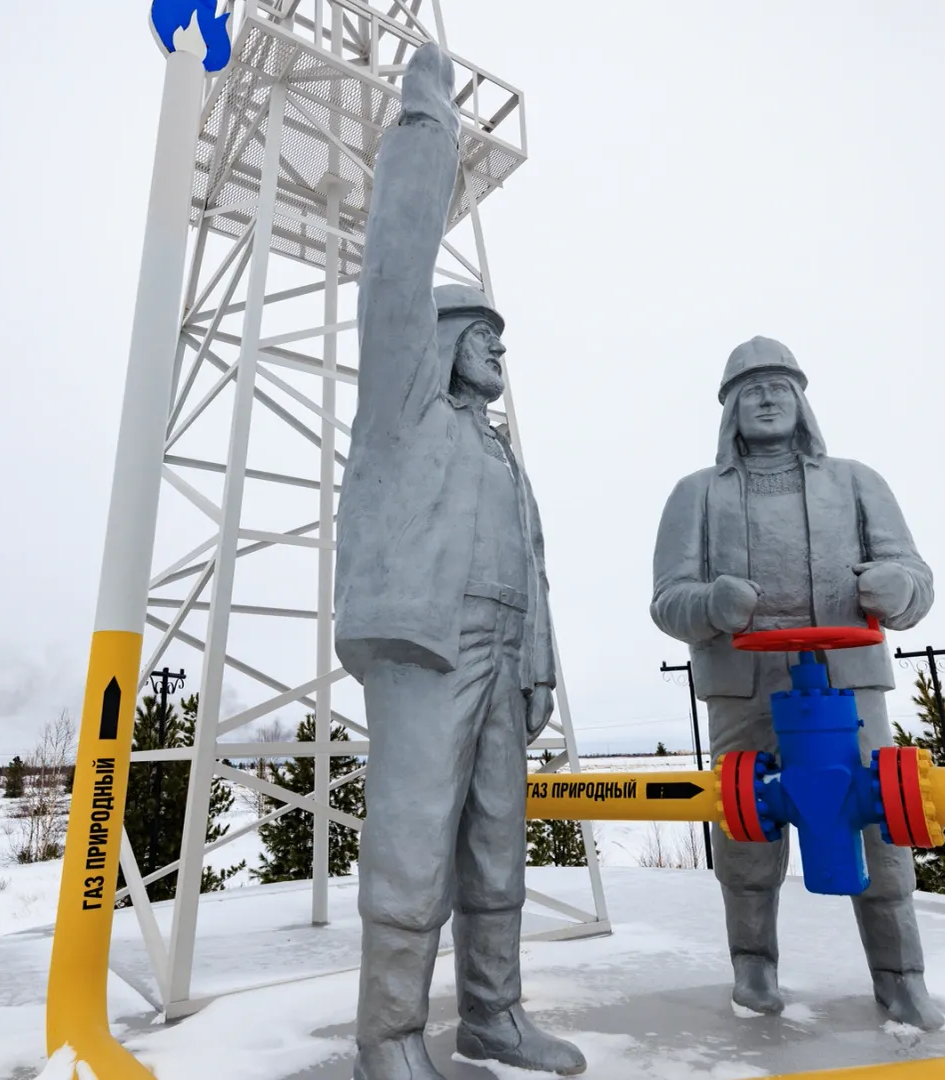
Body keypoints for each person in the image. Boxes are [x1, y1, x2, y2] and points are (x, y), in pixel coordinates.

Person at [335, 43, 584, 1080]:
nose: (498, 351)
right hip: (428, 646)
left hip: (499, 649)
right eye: (484, 333)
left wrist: (538, 671)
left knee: (495, 842)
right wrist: (429, 123)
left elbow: (534, 571)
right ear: (437, 339)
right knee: (410, 840)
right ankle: (388, 1038)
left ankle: (493, 1015)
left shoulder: (498, 455)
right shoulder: (404, 409)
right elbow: (396, 259)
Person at [648, 336, 945, 1029]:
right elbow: (668, 600)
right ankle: (753, 970)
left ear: (802, 400)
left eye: (780, 384)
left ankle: (901, 977)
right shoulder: (694, 495)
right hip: (743, 685)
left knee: (881, 825)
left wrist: (896, 587)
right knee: (745, 830)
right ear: (729, 410)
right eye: (750, 388)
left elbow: (917, 582)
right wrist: (712, 605)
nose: (766, 396)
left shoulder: (857, 482)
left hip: (847, 685)